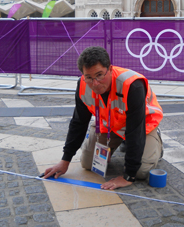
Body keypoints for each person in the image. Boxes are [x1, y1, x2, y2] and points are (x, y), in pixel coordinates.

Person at [42, 46, 164, 190]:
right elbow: (78, 122)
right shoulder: (82, 84)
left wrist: (128, 176)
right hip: (109, 125)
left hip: (142, 125)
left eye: (99, 75)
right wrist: (65, 160)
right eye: (89, 77)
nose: (95, 83)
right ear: (83, 75)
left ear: (110, 69)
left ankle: (156, 143)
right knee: (88, 164)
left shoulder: (132, 85)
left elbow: (135, 130)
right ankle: (121, 144)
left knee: (140, 171)